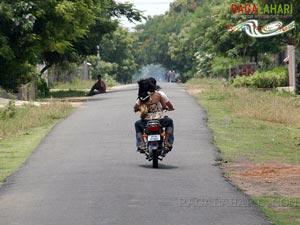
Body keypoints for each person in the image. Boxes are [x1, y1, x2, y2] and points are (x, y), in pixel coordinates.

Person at [134, 78, 174, 155]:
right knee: (169, 121)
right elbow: (164, 106)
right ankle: (166, 141)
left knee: (137, 124)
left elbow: (135, 107)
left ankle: (141, 143)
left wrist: (141, 109)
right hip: (160, 120)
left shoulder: (141, 97)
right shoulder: (158, 95)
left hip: (146, 121)